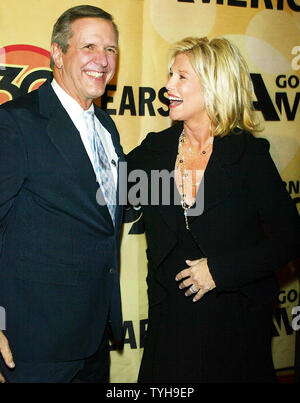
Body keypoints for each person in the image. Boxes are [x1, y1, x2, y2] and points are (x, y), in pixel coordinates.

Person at [127, 37, 300, 382]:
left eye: (180, 77)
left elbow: (290, 239)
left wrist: (220, 271)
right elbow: (99, 189)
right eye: (169, 75)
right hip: (170, 327)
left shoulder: (247, 156)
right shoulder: (155, 152)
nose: (167, 87)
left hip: (234, 322)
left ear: (213, 86)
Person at [0, 5, 124, 383]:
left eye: (111, 50)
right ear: (57, 53)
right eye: (89, 47)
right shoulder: (16, 123)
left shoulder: (106, 126)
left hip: (93, 341)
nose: (102, 61)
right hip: (32, 349)